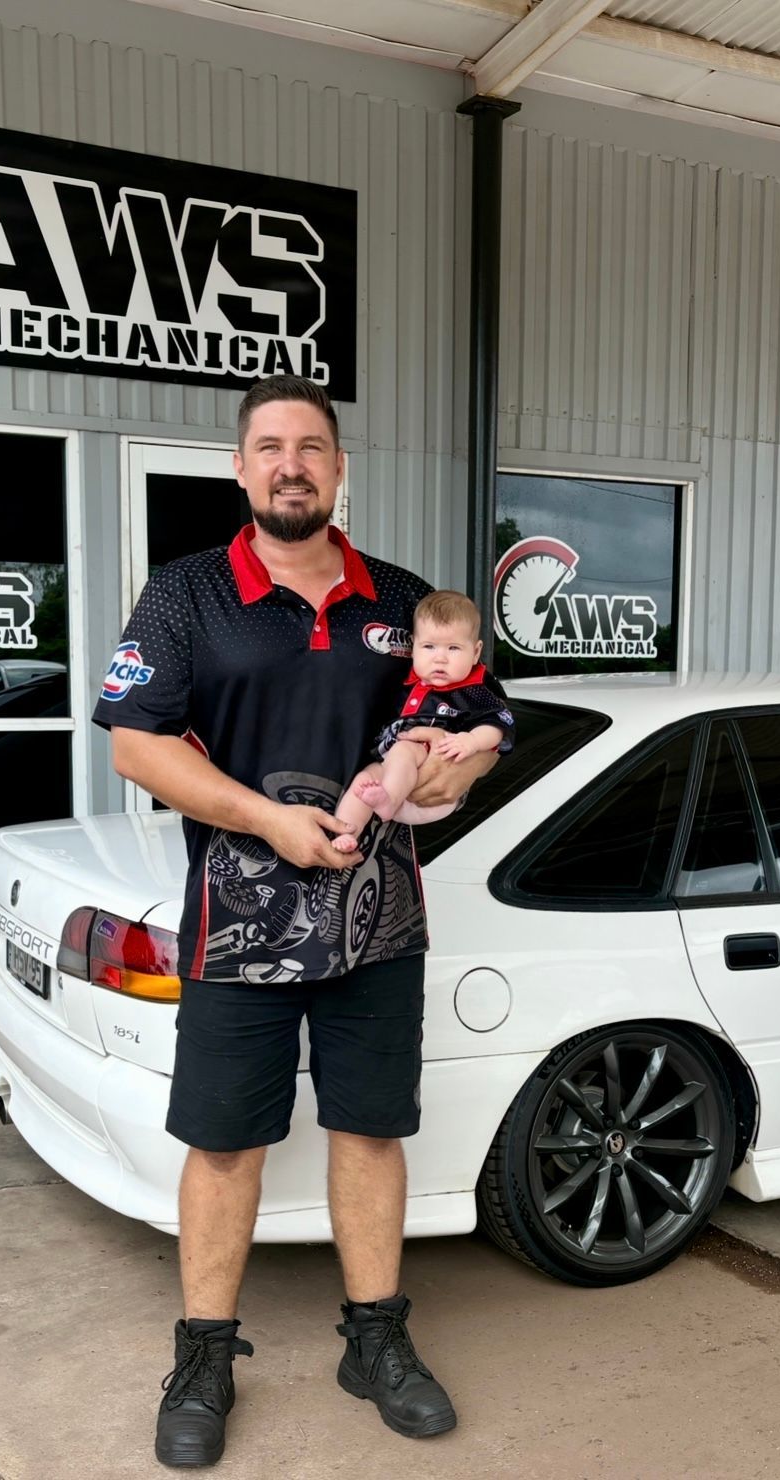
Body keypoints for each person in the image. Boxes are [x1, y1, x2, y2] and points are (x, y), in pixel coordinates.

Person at [92, 375, 497, 1469]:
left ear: (339, 467)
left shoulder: (405, 602)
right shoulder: (184, 595)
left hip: (380, 923)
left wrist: (451, 775)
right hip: (237, 923)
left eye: (311, 446)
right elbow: (137, 742)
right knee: (223, 1144)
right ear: (240, 467)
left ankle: (374, 1340)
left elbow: (466, 729)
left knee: (371, 1128)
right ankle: (206, 1356)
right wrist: (270, 820)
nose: (291, 464)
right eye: (269, 446)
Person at [331, 589, 514, 851]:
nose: (440, 658)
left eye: (453, 648)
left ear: (475, 653)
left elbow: (500, 723)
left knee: (406, 749)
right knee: (363, 780)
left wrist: (471, 741)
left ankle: (387, 800)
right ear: (413, 647)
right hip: (397, 777)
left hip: (432, 789)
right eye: (429, 647)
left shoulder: (473, 690)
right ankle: (347, 833)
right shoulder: (403, 684)